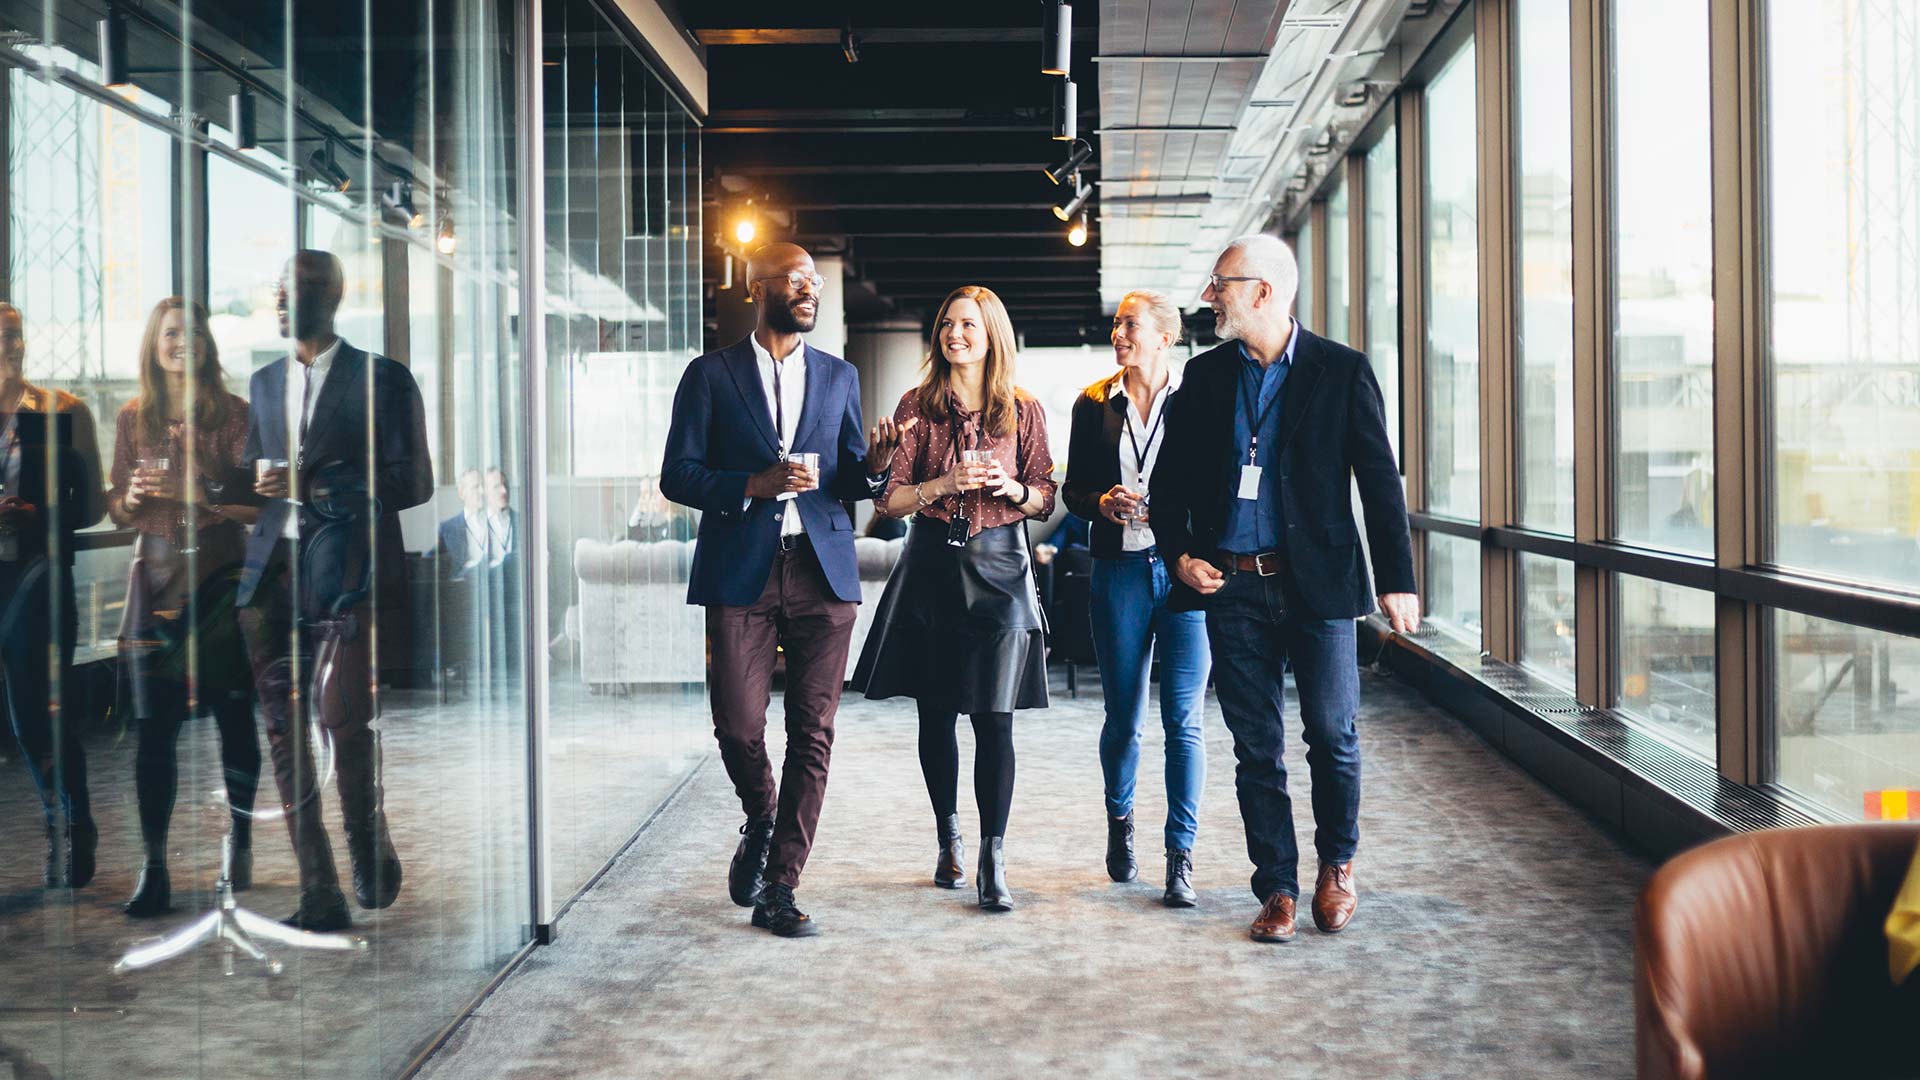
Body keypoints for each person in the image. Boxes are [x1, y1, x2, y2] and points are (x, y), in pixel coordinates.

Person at [1150, 235, 1418, 943]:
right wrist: (1178, 556)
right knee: (1255, 747)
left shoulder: (1341, 371)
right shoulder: (1204, 379)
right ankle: (1276, 888)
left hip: (1319, 586)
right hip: (1230, 587)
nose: (1211, 297)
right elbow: (1167, 486)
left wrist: (1397, 581)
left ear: (1263, 291)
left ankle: (1338, 864)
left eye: (1222, 284)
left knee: (1332, 733)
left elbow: (1381, 483)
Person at [660, 242, 903, 938]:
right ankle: (762, 815)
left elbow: (852, 475)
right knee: (738, 725)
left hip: (823, 571)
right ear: (757, 288)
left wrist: (878, 469)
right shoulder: (709, 375)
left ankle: (781, 884)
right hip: (741, 567)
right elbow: (678, 475)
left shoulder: (839, 376)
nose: (810, 291)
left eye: (815, 283)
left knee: (813, 731)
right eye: (796, 281)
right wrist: (750, 486)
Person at [237, 250, 433, 931]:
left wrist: (316, 487)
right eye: (281, 286)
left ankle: (366, 843)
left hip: (350, 578)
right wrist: (249, 488)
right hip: (271, 581)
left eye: (303, 286)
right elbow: (247, 483)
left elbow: (416, 485)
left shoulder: (382, 379)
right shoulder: (262, 384)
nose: (286, 297)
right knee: (286, 741)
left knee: (344, 723)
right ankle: (316, 888)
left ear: (333, 295)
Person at [851, 285, 1055, 913]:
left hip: (1001, 570)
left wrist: (1012, 486)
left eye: (967, 324)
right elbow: (888, 501)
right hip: (931, 569)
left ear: (992, 333)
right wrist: (943, 483)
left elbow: (1046, 493)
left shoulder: (1022, 408)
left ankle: (994, 857)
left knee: (994, 719)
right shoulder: (917, 405)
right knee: (935, 715)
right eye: (946, 323)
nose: (954, 333)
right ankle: (949, 836)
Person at [109, 297, 262, 917]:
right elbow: (117, 513)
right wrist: (131, 496)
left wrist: (203, 489)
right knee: (153, 730)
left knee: (234, 721)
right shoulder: (131, 418)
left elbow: (260, 505)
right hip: (156, 585)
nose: (182, 341)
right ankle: (154, 865)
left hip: (221, 584)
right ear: (153, 344)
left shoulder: (235, 415)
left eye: (194, 332)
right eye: (171, 333)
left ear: (208, 344)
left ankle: (242, 842)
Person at [1061, 289, 1211, 907]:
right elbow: (1072, 491)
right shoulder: (1093, 403)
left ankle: (1181, 855)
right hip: (1117, 571)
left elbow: (1218, 484)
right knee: (1123, 716)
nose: (1118, 332)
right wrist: (1101, 502)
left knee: (1185, 721)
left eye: (1130, 324)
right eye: (1117, 323)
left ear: (1164, 337)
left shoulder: (1199, 402)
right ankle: (1120, 821)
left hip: (1180, 572)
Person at [0, 302, 106, 889]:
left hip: (37, 579)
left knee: (40, 719)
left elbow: (91, 506)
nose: (9, 345)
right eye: (0, 337)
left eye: (15, 334)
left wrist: (39, 513)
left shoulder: (63, 411)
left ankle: (69, 822)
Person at [438, 468, 486, 577]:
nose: (482, 491)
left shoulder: (498, 522)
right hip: (463, 590)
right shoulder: (447, 529)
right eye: (476, 487)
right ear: (461, 493)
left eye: (484, 486)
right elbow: (429, 564)